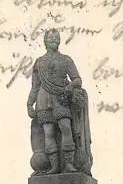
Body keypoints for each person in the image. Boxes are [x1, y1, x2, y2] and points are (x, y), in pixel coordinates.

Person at [27, 28, 93, 176]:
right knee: (48, 132)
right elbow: (35, 86)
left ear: (59, 41)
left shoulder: (66, 60)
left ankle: (68, 164)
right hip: (43, 98)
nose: (53, 39)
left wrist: (69, 87)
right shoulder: (39, 62)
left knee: (65, 127)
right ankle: (54, 167)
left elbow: (77, 80)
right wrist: (29, 104)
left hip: (60, 97)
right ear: (45, 41)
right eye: (50, 38)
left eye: (56, 37)